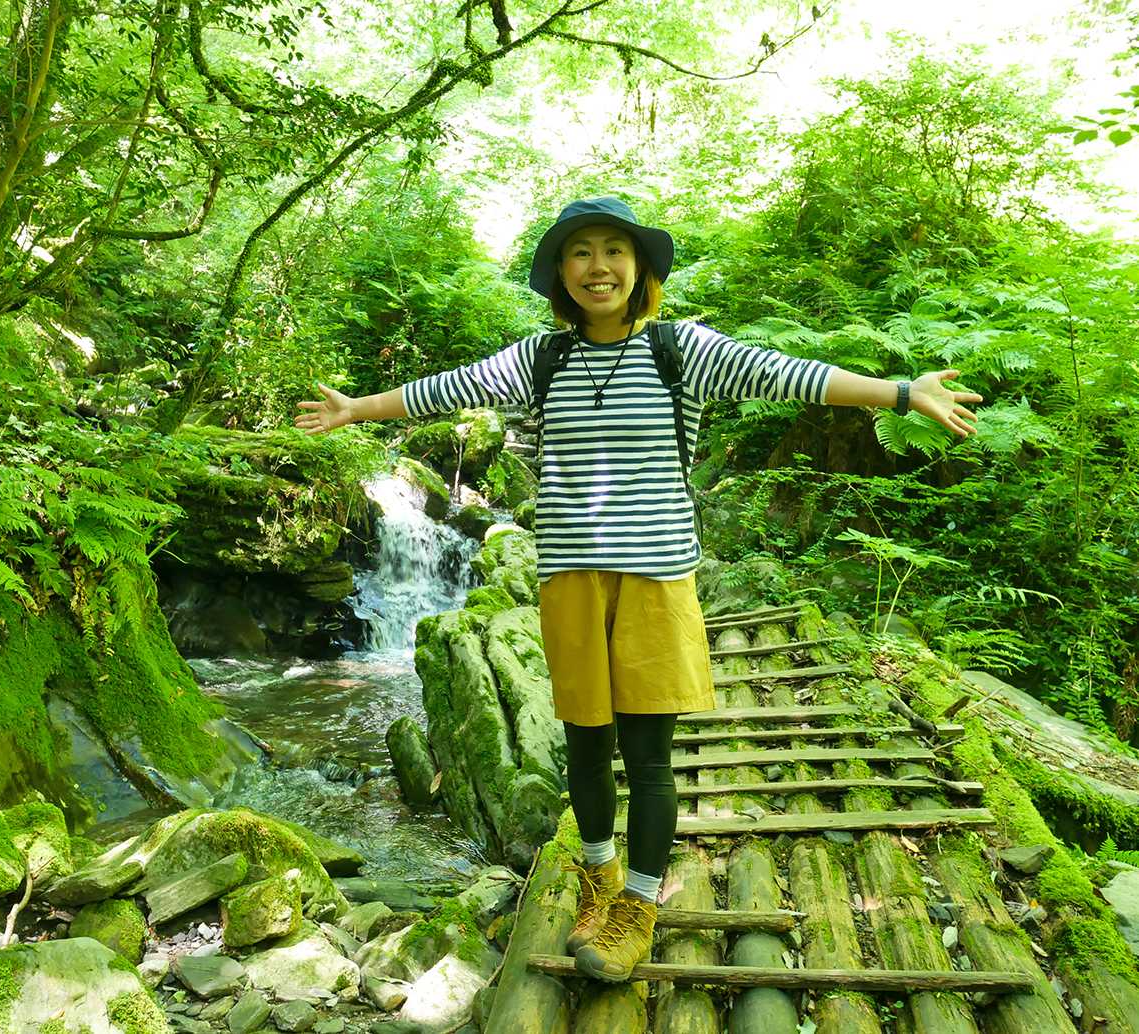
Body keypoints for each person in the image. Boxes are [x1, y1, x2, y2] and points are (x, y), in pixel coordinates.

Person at [294, 196, 981, 982]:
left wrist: (901, 392)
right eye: (581, 252)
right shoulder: (541, 359)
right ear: (562, 272)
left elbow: (788, 375)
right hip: (570, 579)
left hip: (655, 578)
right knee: (586, 747)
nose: (599, 267)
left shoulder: (679, 350)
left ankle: (641, 907)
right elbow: (446, 388)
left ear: (640, 267)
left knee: (649, 758)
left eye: (614, 250)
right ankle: (599, 878)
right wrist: (357, 408)